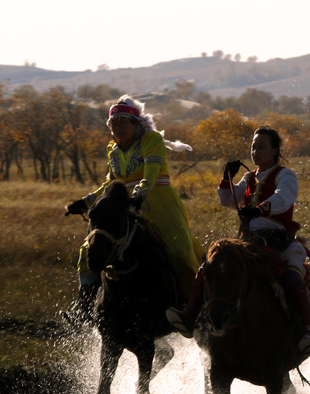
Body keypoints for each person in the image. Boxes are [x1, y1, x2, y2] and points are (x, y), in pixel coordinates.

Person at [166, 126, 310, 356]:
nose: (255, 151)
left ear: (275, 150)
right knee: (212, 265)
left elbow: (284, 198)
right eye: (253, 147)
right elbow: (228, 200)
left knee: (291, 275)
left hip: (280, 241)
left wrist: (260, 210)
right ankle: (190, 316)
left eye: (262, 147)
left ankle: (307, 331)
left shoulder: (285, 175)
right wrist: (226, 178)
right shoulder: (250, 176)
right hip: (249, 241)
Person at [63, 95, 204, 325]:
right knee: (90, 249)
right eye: (113, 124)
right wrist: (87, 200)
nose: (118, 128)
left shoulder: (151, 140)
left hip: (158, 204)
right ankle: (85, 307)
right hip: (125, 207)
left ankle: (194, 311)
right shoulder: (113, 149)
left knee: (178, 251)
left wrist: (143, 189)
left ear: (136, 124)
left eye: (123, 123)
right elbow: (111, 182)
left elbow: (151, 170)